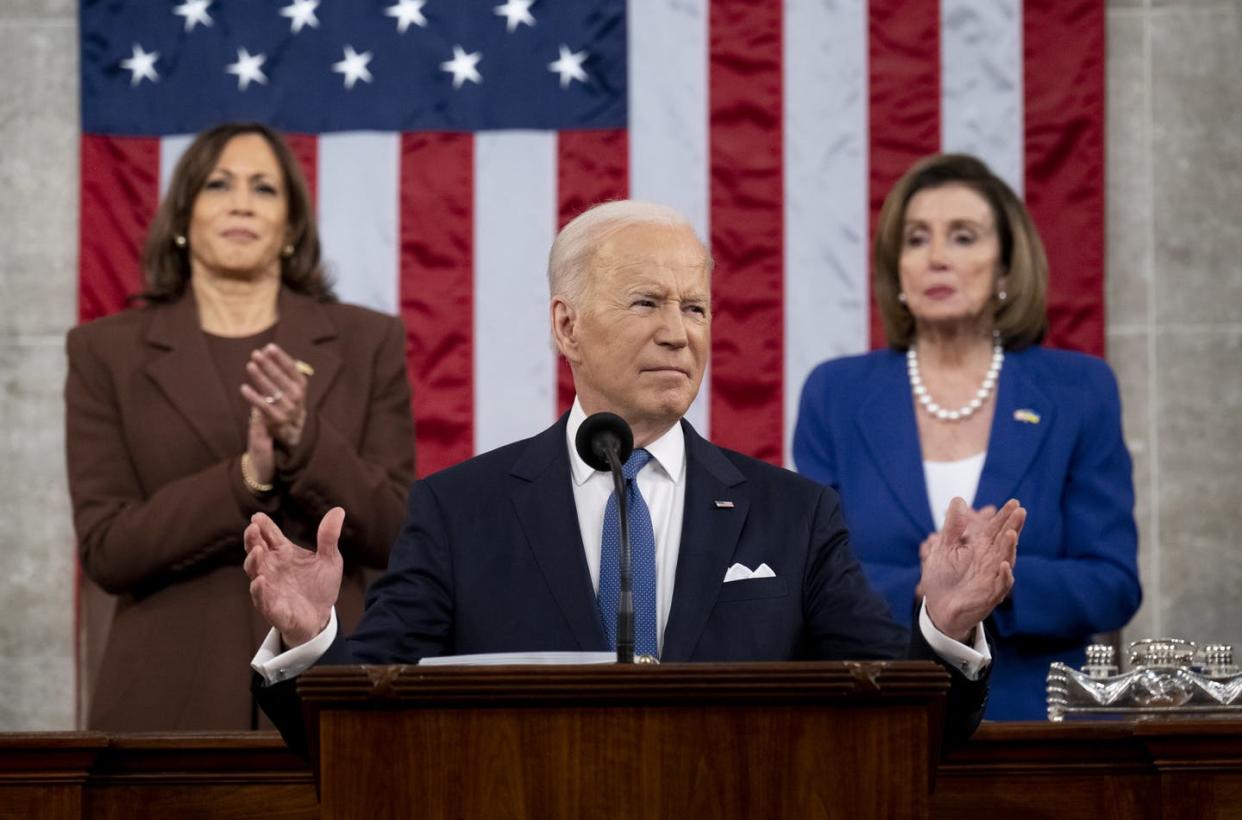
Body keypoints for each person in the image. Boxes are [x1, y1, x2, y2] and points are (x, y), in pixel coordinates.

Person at [244, 200, 1025, 751]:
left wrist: (946, 629)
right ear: (567, 325)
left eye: (696, 308)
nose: (677, 334)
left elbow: (898, 715)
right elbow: (356, 719)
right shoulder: (461, 511)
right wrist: (310, 639)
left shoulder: (795, 515)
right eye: (647, 301)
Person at [65, 122, 415, 730]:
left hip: (333, 694)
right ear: (183, 216)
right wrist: (246, 479)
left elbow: (394, 532)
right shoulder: (106, 353)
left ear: (291, 225)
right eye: (218, 185)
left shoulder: (368, 341)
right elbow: (107, 550)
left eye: (265, 188)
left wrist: (305, 443)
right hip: (167, 702)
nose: (241, 202)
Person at [793, 154, 1141, 720]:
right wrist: (932, 587)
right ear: (896, 269)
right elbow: (811, 581)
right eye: (916, 239)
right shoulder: (836, 393)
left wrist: (989, 578)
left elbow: (1114, 583)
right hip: (876, 716)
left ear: (1006, 267)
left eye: (962, 237)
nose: (936, 258)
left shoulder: (1080, 391)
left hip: (1039, 726)